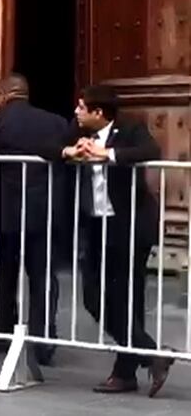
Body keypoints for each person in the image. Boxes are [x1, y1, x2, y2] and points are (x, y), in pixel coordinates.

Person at [54, 85, 172, 396]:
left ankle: (124, 373)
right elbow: (47, 146)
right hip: (95, 225)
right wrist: (69, 152)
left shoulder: (130, 128)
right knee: (93, 297)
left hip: (128, 225)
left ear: (98, 113)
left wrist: (109, 154)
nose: (76, 113)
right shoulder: (76, 131)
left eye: (82, 108)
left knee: (127, 298)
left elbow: (151, 152)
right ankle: (152, 353)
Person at [0, 73, 68, 364]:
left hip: (2, 215)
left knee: (2, 276)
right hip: (42, 214)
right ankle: (42, 341)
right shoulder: (55, 123)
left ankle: (3, 334)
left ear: (2, 96)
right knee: (43, 277)